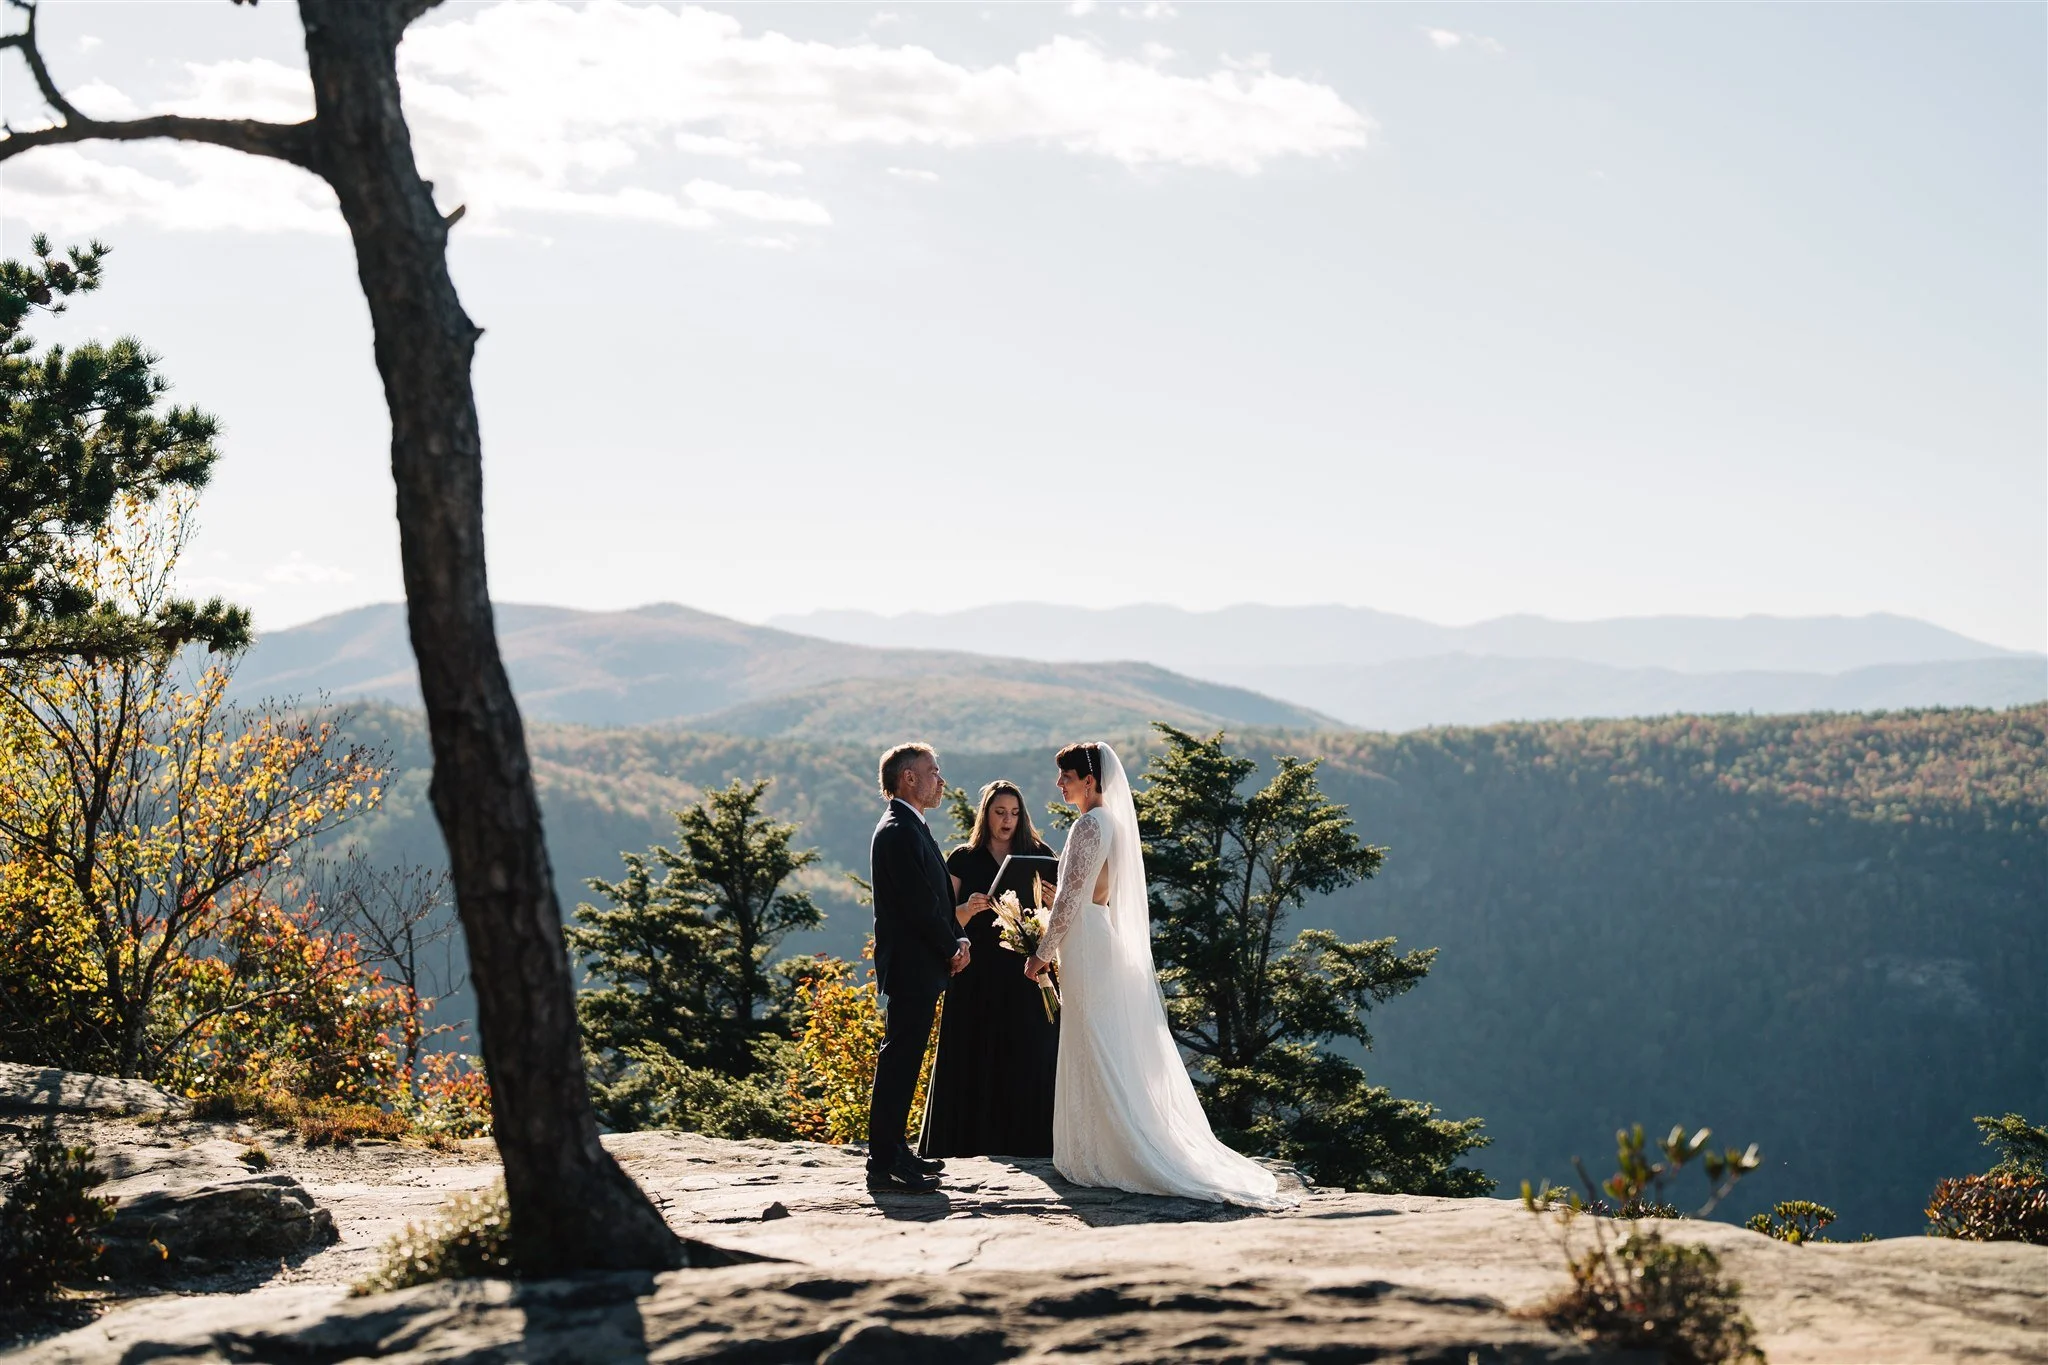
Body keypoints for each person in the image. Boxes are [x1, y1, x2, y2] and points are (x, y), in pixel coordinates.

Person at [1024, 741, 1294, 1209]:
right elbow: (1090, 893)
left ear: (1090, 780)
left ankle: (1107, 1152)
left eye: (1066, 776)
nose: (1060, 784)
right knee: (1096, 1039)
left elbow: (1070, 898)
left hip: (1084, 940)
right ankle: (1096, 1149)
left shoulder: (1090, 824)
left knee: (1093, 1041)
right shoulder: (1110, 823)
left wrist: (1042, 952)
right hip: (1094, 933)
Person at [918, 780, 1060, 1158]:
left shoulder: (1040, 854)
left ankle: (1030, 1144)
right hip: (977, 971)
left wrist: (1052, 901)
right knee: (973, 1056)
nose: (1007, 820)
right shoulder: (963, 858)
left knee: (1030, 1055)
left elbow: (1058, 916)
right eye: (1000, 812)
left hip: (1025, 971)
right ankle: (966, 1145)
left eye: (1014, 813)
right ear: (986, 815)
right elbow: (942, 917)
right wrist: (968, 908)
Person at [865, 742, 970, 1193]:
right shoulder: (897, 830)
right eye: (933, 771)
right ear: (909, 777)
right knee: (900, 1061)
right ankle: (884, 1160)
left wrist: (957, 935)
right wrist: (952, 945)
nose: (940, 779)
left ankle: (896, 1150)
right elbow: (918, 906)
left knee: (905, 1061)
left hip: (920, 964)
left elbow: (935, 898)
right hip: (913, 966)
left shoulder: (912, 825)